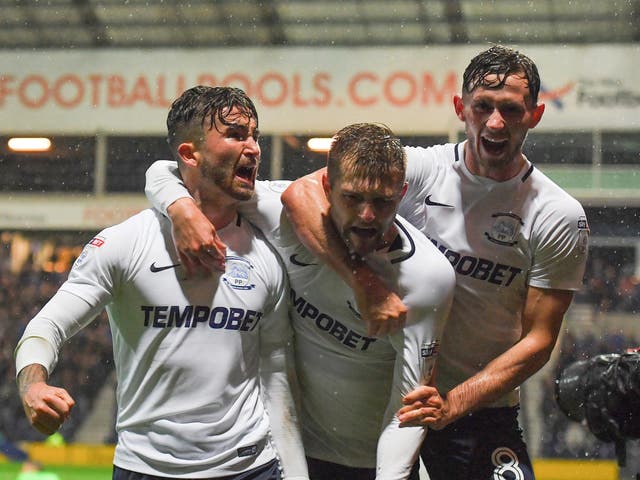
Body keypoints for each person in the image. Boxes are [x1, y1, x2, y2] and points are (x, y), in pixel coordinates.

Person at [278, 45, 591, 479]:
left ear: (534, 115)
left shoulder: (558, 214)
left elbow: (538, 339)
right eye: (483, 106)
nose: (495, 123)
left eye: (511, 110)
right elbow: (302, 194)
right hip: (387, 402)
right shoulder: (417, 170)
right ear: (461, 108)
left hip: (476, 413)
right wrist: (364, 283)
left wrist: (453, 403)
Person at [15, 86, 308, 480]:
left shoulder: (267, 254)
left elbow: (274, 375)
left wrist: (294, 472)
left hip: (250, 469)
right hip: (146, 469)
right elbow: (46, 327)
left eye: (254, 135)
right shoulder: (124, 243)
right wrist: (32, 386)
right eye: (237, 135)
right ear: (189, 154)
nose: (254, 147)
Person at [145, 123, 456, 479]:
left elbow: (408, 411)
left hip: (379, 463)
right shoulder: (282, 217)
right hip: (291, 456)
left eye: (382, 201)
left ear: (401, 194)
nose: (367, 216)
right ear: (326, 187)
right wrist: (181, 208)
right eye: (352, 198)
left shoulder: (429, 279)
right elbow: (165, 170)